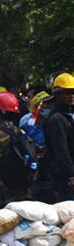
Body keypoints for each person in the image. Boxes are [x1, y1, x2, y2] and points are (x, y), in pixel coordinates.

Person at [43, 73, 74, 202]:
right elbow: (61, 150)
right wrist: (71, 174)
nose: (71, 96)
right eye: (67, 92)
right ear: (57, 95)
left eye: (73, 92)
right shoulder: (57, 119)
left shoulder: (69, 115)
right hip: (65, 178)